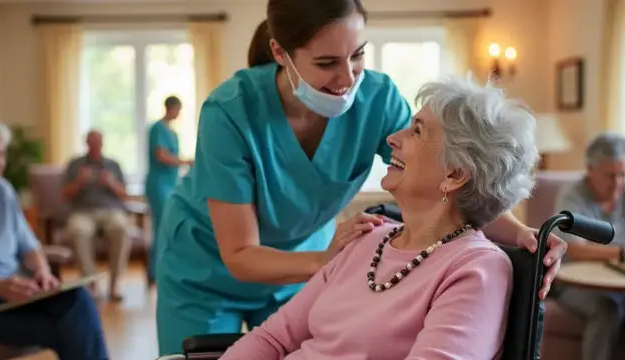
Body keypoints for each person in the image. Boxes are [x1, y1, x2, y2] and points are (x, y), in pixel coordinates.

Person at [154, 0, 568, 355]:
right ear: (280, 53)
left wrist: (524, 235)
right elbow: (243, 262)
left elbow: (457, 176)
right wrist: (329, 261)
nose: (349, 78)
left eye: (358, 55)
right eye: (326, 63)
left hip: (312, 259)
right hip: (208, 269)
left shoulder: (377, 99)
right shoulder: (230, 112)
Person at [219, 75, 536, 360]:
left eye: (417, 131)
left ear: (454, 174)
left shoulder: (475, 269)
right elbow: (272, 339)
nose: (392, 138)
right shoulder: (366, 237)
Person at [0, 116, 109, 360]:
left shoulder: (3, 190)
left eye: (2, 154)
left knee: (77, 297)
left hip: (15, 294)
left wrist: (43, 273)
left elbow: (30, 246)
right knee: (71, 329)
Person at [554, 132, 625, 360]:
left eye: (622, 174)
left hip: (618, 282)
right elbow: (576, 250)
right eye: (609, 175)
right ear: (590, 169)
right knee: (607, 308)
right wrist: (622, 253)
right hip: (572, 283)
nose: (617, 183)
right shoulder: (572, 197)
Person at [61, 130, 131, 301]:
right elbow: (65, 194)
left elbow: (124, 194)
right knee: (77, 231)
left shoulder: (113, 165)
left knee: (122, 229)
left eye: (98, 142)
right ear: (86, 143)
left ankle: (115, 285)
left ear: (102, 143)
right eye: (91, 142)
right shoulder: (75, 164)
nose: (95, 145)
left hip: (111, 211)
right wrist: (79, 181)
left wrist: (111, 182)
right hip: (83, 212)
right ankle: (91, 284)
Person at [145, 96, 192, 286]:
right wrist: (186, 162)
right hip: (158, 185)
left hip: (171, 184)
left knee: (172, 226)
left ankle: (167, 270)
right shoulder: (157, 129)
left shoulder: (172, 133)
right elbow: (161, 156)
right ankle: (155, 272)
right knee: (161, 227)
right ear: (170, 108)